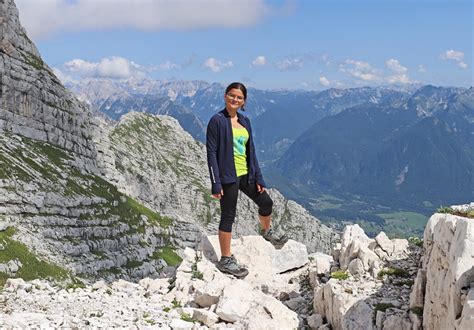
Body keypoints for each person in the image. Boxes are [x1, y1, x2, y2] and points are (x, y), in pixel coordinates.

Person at [206, 82, 288, 279]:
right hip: (228, 176)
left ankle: (266, 231)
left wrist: (258, 176)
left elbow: (251, 151)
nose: (235, 99)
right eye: (232, 95)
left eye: (239, 97)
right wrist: (216, 182)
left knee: (266, 202)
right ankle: (225, 259)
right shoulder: (217, 121)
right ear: (225, 96)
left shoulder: (245, 121)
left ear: (244, 101)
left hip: (246, 174)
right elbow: (211, 153)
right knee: (228, 215)